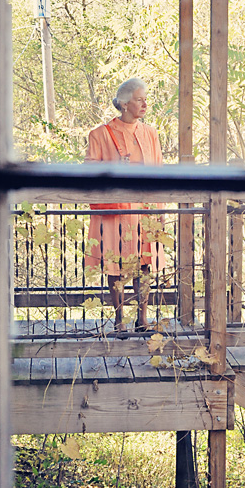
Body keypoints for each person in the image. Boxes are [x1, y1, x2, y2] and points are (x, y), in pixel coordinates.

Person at [84, 78, 165, 332]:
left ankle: (143, 318)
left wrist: (160, 210)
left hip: (145, 209)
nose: (145, 104)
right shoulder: (99, 134)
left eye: (145, 99)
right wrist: (114, 168)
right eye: (140, 99)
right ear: (124, 103)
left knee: (144, 263)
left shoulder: (150, 133)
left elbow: (159, 172)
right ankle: (119, 321)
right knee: (115, 263)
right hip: (115, 211)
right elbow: (89, 169)